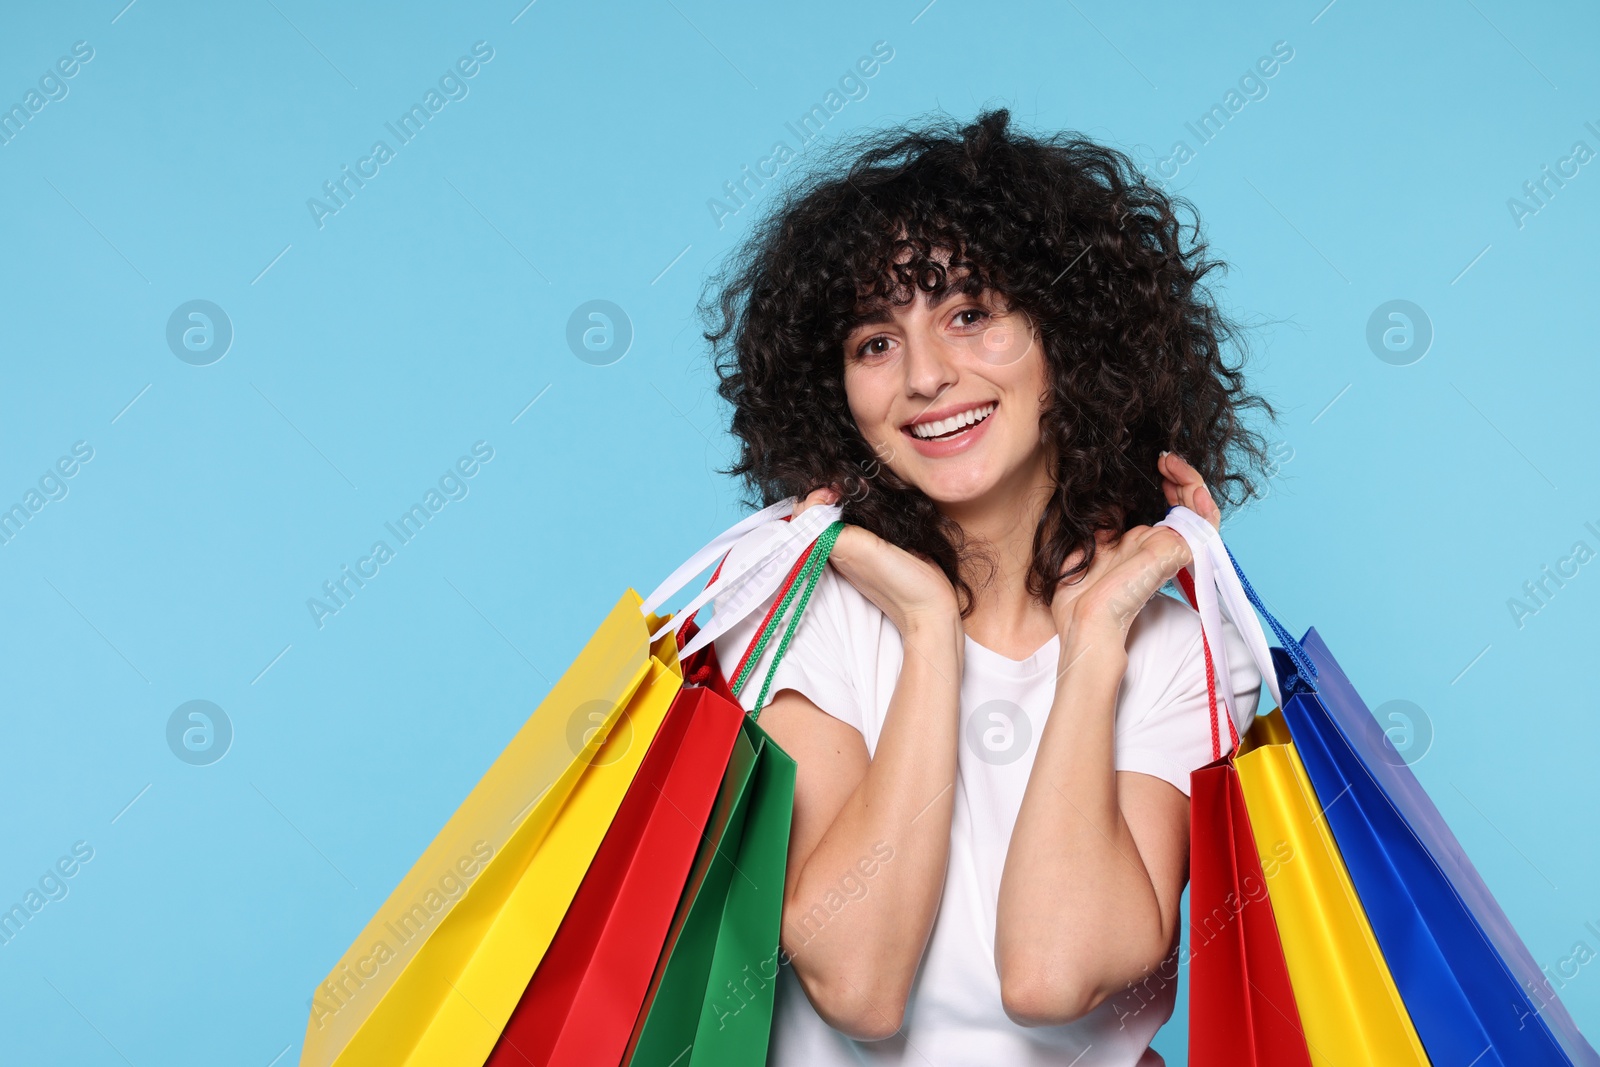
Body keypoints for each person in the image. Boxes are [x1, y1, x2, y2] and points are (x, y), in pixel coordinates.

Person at [706, 108, 1280, 1066]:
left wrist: (1096, 644)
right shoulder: (796, 611)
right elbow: (856, 984)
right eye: (874, 342)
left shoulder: (1182, 651)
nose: (926, 375)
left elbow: (1054, 977)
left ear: (1069, 337)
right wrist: (930, 630)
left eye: (970, 315)